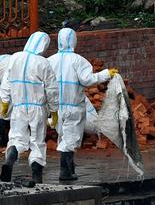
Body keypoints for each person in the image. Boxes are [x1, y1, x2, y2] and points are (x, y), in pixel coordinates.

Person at [47, 28, 118, 182]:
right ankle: (65, 172)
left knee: (63, 136)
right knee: (71, 139)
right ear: (74, 41)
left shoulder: (49, 61)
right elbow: (87, 80)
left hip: (56, 107)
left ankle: (69, 167)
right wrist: (106, 74)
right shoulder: (78, 60)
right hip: (73, 107)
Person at [0, 31, 59, 183]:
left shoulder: (15, 57)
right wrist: (54, 110)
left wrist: (4, 102)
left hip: (18, 107)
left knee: (17, 138)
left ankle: (10, 158)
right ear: (44, 45)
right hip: (37, 108)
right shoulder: (43, 62)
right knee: (37, 141)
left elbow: (6, 81)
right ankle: (37, 175)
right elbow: (52, 89)